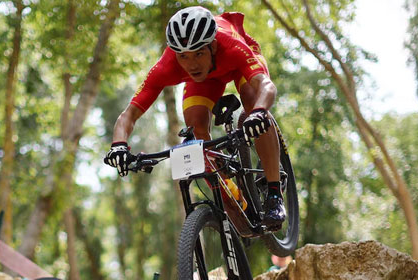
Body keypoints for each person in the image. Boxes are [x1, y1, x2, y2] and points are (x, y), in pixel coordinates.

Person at [104, 6, 286, 228]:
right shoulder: (167, 66)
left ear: (213, 45)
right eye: (183, 56)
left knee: (252, 98)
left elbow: (267, 86)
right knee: (195, 128)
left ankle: (274, 193)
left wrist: (258, 113)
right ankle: (232, 195)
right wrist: (119, 146)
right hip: (205, 81)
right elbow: (128, 116)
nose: (191, 64)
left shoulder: (230, 45)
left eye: (198, 53)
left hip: (238, 65)